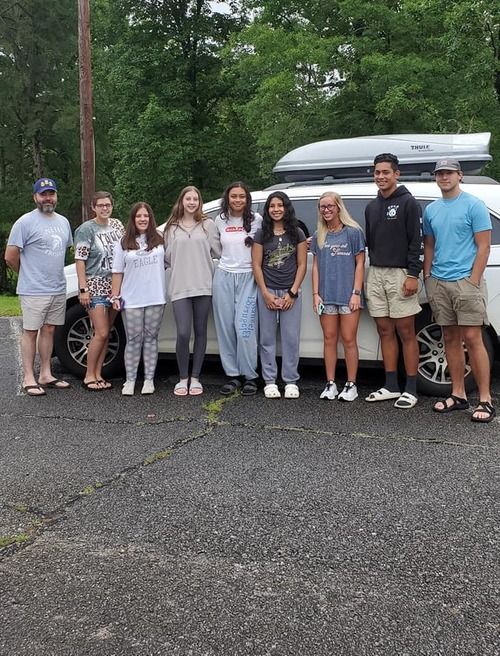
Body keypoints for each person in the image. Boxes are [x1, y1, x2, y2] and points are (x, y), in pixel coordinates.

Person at [423, 158, 495, 423]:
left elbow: (484, 246)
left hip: (466, 281)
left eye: (449, 173)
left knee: (473, 338)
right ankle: (458, 394)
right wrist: (428, 276)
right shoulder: (431, 210)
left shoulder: (474, 205)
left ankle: (485, 399)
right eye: (440, 173)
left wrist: (473, 280)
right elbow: (429, 245)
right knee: (450, 338)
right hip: (439, 281)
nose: (444, 177)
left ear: (459, 175)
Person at [364, 153, 422, 409]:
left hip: (400, 274)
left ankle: (411, 388)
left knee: (406, 332)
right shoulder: (371, 207)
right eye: (377, 172)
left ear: (396, 174)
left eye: (386, 172)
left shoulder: (409, 203)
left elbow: (416, 242)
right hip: (376, 273)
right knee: (384, 331)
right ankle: (391, 385)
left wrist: (412, 275)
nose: (381, 177)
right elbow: (371, 242)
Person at [5, 178, 73, 396]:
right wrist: (27, 274)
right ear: (35, 197)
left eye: (51, 194)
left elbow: (64, 252)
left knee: (49, 330)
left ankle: (45, 374)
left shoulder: (63, 222)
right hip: (33, 289)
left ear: (56, 196)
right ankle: (28, 377)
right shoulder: (24, 223)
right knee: (31, 332)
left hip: (57, 287)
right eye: (43, 194)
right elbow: (10, 256)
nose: (48, 198)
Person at [164, 186, 221, 396]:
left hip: (203, 285)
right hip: (180, 286)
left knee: (200, 331)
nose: (191, 202)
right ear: (182, 201)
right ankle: (182, 378)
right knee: (183, 332)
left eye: (195, 199)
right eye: (188, 199)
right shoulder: (171, 228)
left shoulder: (208, 225)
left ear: (200, 202)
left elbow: (219, 252)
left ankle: (195, 377)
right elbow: (166, 258)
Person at [252, 191, 307, 399]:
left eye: (280, 205)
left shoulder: (297, 233)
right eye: (272, 206)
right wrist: (265, 293)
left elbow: (302, 264)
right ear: (268, 210)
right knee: (266, 338)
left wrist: (292, 293)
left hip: (290, 292)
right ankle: (270, 381)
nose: (276, 209)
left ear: (286, 208)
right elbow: (256, 265)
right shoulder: (261, 234)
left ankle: (291, 380)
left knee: (290, 338)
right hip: (267, 291)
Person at [311, 192, 365, 402]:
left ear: (339, 207)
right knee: (329, 339)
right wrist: (316, 294)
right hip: (326, 297)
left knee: (349, 340)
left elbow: (360, 264)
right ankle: (331, 383)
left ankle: (351, 384)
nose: (326, 210)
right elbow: (316, 266)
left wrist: (356, 293)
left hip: (348, 296)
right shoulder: (319, 235)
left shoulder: (353, 232)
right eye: (322, 207)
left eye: (330, 206)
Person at [110, 202, 166, 396]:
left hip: (156, 297)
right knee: (133, 340)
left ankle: (149, 380)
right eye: (139, 216)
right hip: (132, 299)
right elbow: (117, 271)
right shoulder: (123, 242)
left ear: (151, 218)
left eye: (146, 216)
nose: (143, 219)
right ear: (133, 219)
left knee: (151, 339)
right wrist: (115, 296)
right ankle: (130, 380)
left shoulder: (160, 239)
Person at [213, 182, 262, 396]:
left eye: (242, 196)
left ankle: (250, 375)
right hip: (224, 276)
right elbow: (215, 247)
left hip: (248, 277)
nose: (238, 200)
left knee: (245, 328)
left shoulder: (256, 219)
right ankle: (233, 375)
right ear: (228, 198)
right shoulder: (219, 220)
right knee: (225, 327)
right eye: (234, 196)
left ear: (247, 199)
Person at [74, 191, 124, 391]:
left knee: (107, 332)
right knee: (101, 332)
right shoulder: (86, 229)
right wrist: (83, 288)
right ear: (93, 207)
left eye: (108, 205)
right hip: (95, 286)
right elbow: (80, 260)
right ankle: (89, 375)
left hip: (115, 286)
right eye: (101, 205)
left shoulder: (117, 225)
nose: (105, 208)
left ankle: (98, 374)